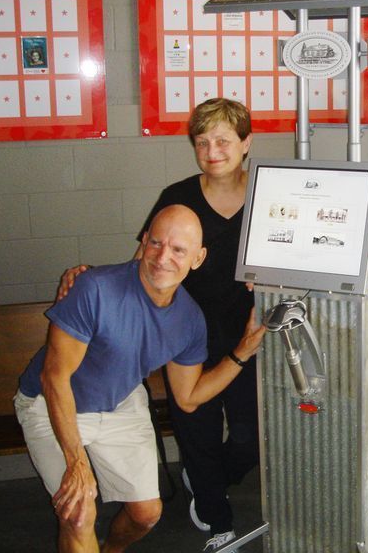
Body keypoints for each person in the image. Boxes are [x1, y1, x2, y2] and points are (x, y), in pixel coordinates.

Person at [58, 98, 258, 552]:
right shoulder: (177, 197)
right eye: (202, 142)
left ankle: (210, 475)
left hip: (247, 336)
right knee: (197, 427)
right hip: (183, 335)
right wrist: (92, 275)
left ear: (246, 143)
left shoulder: (269, 196)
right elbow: (143, 264)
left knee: (250, 437)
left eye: (224, 141)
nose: (213, 151)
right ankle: (215, 515)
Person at [15, 205, 266, 553]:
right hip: (51, 403)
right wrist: (76, 463)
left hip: (120, 402)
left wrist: (244, 349)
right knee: (78, 512)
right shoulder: (95, 288)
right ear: (144, 242)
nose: (163, 257)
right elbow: (54, 377)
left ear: (198, 257)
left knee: (146, 514)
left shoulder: (189, 320)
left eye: (179, 249)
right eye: (156, 243)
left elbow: (189, 396)